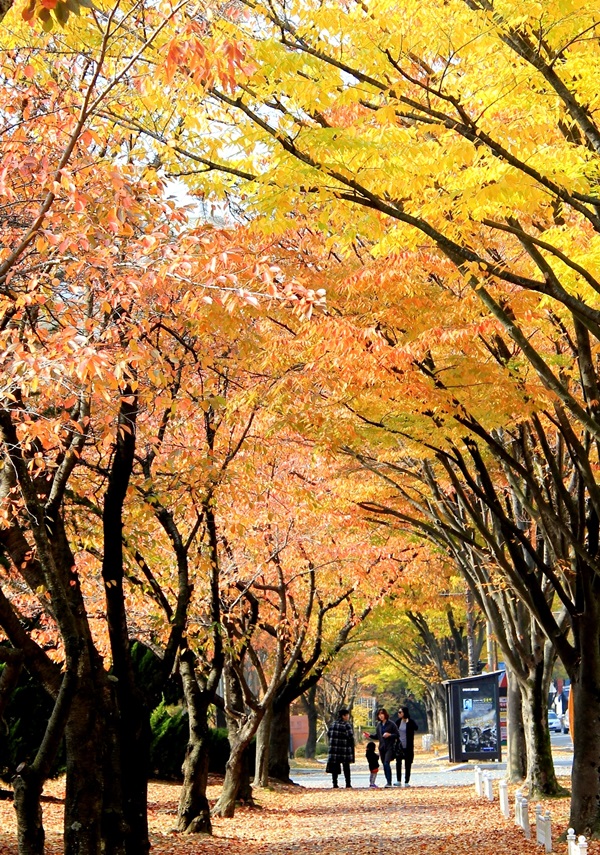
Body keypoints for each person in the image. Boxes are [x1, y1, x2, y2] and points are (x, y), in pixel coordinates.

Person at [363, 708, 399, 788]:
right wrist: (370, 735)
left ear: (385, 714)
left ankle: (389, 782)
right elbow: (377, 736)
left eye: (382, 714)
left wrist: (389, 735)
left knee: (386, 763)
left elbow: (397, 734)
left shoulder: (391, 724)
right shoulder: (379, 725)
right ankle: (387, 781)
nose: (381, 716)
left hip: (390, 746)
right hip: (382, 747)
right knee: (384, 764)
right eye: (379, 714)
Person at [326, 708, 355, 788]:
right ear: (343, 716)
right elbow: (350, 736)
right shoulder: (346, 725)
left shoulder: (333, 724)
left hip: (334, 749)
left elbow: (328, 734)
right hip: (344, 749)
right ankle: (348, 784)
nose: (348, 717)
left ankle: (335, 784)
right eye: (347, 715)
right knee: (346, 766)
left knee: (334, 766)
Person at [393, 705, 418, 787]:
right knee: (398, 763)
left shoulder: (410, 721)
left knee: (408, 763)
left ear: (404, 713)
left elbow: (416, 728)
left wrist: (408, 723)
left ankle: (407, 781)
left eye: (400, 712)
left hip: (408, 746)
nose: (399, 713)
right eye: (398, 712)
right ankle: (398, 780)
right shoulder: (398, 721)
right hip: (399, 746)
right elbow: (393, 730)